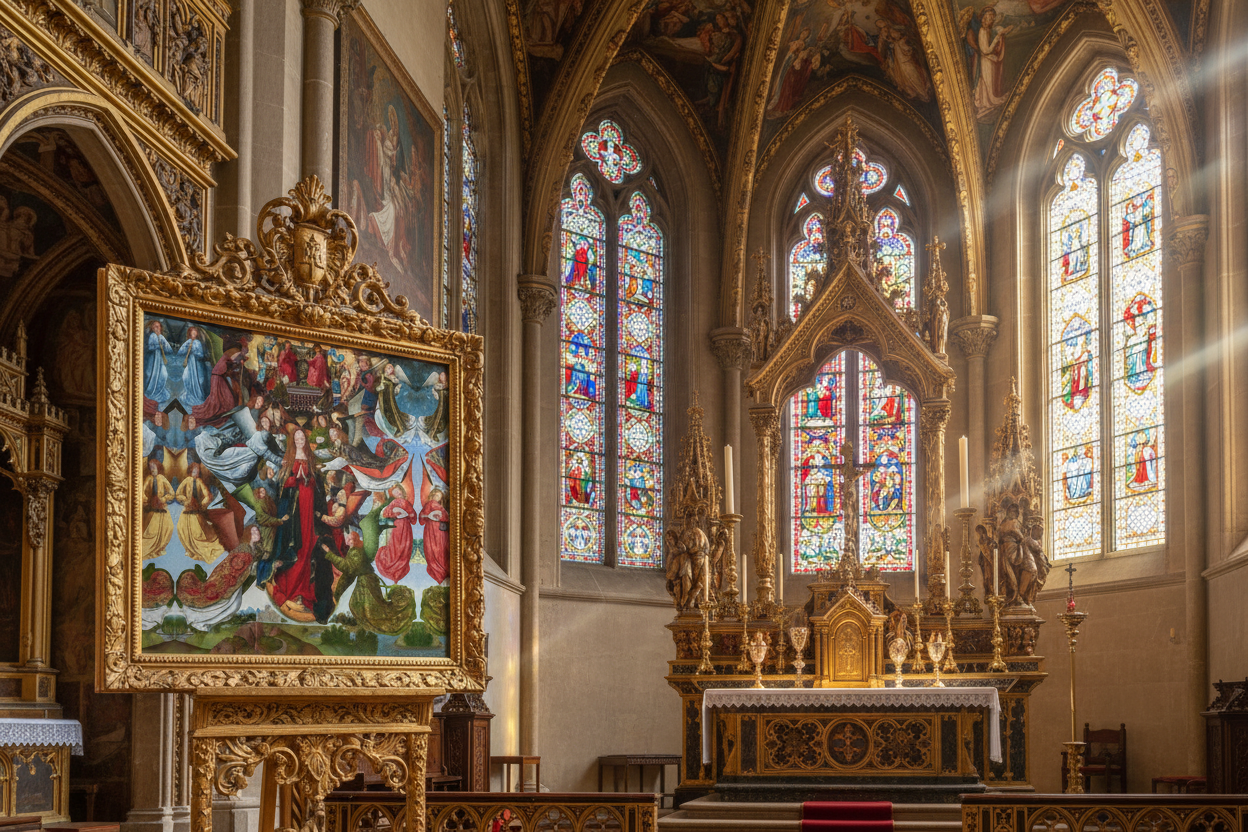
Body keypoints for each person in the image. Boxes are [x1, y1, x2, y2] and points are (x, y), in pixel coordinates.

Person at [269, 428, 333, 623]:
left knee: (308, 546)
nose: (299, 440)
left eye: (301, 437)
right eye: (296, 438)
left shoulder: (311, 459)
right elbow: (281, 485)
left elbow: (318, 485)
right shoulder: (288, 458)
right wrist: (293, 479)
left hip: (310, 505)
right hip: (296, 511)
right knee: (297, 545)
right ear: (293, 440)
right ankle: (292, 587)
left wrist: (310, 479)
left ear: (305, 440)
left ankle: (305, 588)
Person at [320, 530, 416, 636]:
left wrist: (330, 554)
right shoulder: (354, 551)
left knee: (368, 611)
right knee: (365, 610)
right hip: (364, 581)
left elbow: (348, 567)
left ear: (357, 540)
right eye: (349, 539)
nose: (351, 541)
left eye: (353, 539)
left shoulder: (356, 551)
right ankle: (353, 627)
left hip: (365, 584)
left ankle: (355, 628)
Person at [175, 462, 226, 564]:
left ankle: (199, 549)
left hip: (196, 510)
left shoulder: (199, 482)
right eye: (194, 471)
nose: (196, 473)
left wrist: (202, 503)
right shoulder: (186, 481)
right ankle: (190, 550)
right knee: (181, 528)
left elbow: (207, 495)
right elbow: (178, 493)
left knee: (198, 533)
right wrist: (185, 499)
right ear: (190, 471)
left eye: (197, 471)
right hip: (187, 510)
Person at [376, 485, 418, 582]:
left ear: (402, 491)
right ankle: (393, 566)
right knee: (395, 547)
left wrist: (406, 514)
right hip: (397, 527)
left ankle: (400, 568)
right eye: (394, 492)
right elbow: (386, 513)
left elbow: (414, 519)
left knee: (404, 548)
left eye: (398, 490)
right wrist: (395, 512)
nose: (397, 493)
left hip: (406, 529)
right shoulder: (394, 502)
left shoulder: (407, 503)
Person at [142, 456, 176, 559]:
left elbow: (171, 493)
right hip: (152, 507)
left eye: (154, 467)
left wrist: (164, 499)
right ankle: (150, 548)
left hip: (162, 507)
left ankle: (160, 548)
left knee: (169, 527)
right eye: (151, 467)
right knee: (151, 531)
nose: (152, 469)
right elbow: (142, 492)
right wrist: (145, 500)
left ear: (158, 468)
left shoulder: (162, 478)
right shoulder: (149, 479)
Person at [418, 487, 450, 585]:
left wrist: (438, 516)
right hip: (430, 531)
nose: (436, 497)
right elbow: (421, 518)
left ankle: (441, 572)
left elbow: (446, 517)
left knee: (439, 551)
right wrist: (429, 516)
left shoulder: (439, 506)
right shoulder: (430, 504)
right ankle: (439, 573)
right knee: (431, 551)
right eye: (435, 495)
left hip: (439, 532)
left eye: (438, 496)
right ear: (432, 495)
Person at [176, 325, 213, 407]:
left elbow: (201, 355)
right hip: (189, 364)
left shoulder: (197, 342)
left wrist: (194, 352)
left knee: (198, 379)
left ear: (197, 334)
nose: (193, 335)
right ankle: (189, 395)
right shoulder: (188, 342)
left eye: (194, 333)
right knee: (186, 377)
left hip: (196, 365)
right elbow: (181, 352)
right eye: (191, 333)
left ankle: (197, 396)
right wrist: (186, 349)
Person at [144, 320, 175, 404]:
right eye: (155, 326)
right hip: (153, 360)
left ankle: (159, 392)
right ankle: (151, 392)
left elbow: (169, 349)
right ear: (152, 328)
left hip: (160, 360)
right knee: (151, 375)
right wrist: (158, 345)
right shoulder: (153, 336)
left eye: (158, 326)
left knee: (163, 374)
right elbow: (150, 347)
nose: (157, 328)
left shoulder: (161, 337)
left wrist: (164, 343)